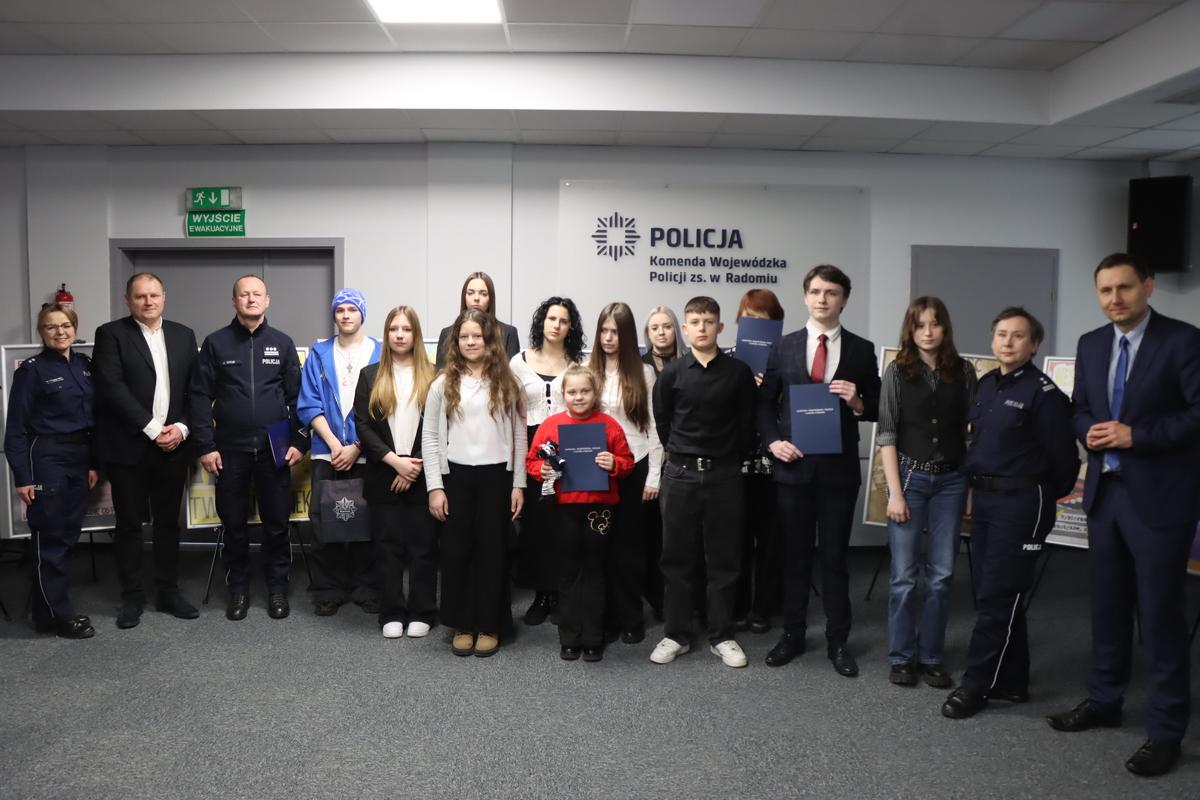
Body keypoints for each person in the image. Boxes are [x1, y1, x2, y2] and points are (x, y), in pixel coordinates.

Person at [1046, 253, 1200, 777]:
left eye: (1125, 288)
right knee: (1107, 608)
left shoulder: (1183, 341)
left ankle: (1166, 729)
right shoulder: (1091, 343)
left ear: (1148, 287)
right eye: (1106, 290)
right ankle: (1105, 699)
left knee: (1160, 615)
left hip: (1160, 499)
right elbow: (1079, 408)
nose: (1115, 299)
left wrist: (1138, 436)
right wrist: (1085, 429)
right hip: (1105, 497)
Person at [941, 307, 1078, 720]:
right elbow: (979, 447)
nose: (1008, 342)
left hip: (1022, 504)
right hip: (986, 502)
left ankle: (976, 684)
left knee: (999, 595)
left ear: (1034, 345)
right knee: (995, 592)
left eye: (1018, 336)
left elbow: (1065, 462)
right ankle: (1014, 680)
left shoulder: (1045, 394)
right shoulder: (986, 385)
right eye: (1002, 334)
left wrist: (1037, 496)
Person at [758, 264, 880, 677]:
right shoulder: (783, 347)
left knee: (835, 559)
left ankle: (838, 640)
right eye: (815, 291)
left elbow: (877, 405)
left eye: (831, 292)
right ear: (805, 297)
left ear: (844, 300)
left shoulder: (862, 350)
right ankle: (792, 634)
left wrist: (858, 401)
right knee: (794, 557)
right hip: (792, 468)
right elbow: (764, 403)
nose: (822, 299)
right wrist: (773, 441)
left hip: (838, 472)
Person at [189, 275, 307, 622]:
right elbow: (199, 397)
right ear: (234, 301)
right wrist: (205, 446)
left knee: (277, 524)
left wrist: (299, 441)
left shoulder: (282, 343)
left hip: (275, 449)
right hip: (229, 450)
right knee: (234, 524)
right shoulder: (216, 343)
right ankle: (238, 589)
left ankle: (277, 588)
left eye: (257, 294)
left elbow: (298, 398)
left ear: (267, 300)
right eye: (244, 294)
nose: (251, 299)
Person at [650, 296, 756, 668]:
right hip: (680, 475)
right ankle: (676, 634)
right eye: (695, 322)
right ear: (685, 328)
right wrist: (683, 454)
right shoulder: (672, 373)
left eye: (709, 321)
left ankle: (722, 635)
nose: (702, 328)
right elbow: (663, 422)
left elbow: (747, 426)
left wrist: (725, 457)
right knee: (676, 558)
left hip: (724, 475)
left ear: (720, 327)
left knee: (724, 559)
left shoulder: (738, 373)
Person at [877, 297, 976, 688]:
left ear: (945, 328)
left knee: (942, 576)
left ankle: (932, 656)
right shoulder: (897, 372)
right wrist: (895, 494)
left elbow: (970, 434)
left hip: (952, 481)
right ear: (911, 330)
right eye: (920, 325)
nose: (928, 332)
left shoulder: (964, 371)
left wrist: (970, 487)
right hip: (910, 479)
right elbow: (887, 435)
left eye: (935, 324)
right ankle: (902, 657)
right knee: (904, 576)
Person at [93, 272, 200, 629]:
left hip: (174, 447)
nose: (148, 301)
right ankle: (132, 597)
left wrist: (181, 428)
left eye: (154, 295)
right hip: (130, 448)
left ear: (164, 297)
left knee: (168, 524)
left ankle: (168, 591)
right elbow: (111, 388)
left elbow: (196, 390)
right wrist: (153, 429)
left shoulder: (184, 335)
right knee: (129, 525)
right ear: (128, 300)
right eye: (140, 296)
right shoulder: (111, 334)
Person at [423, 309, 527, 657]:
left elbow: (519, 435)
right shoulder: (442, 384)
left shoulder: (508, 382)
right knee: (457, 553)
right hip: (456, 478)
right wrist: (435, 487)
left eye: (477, 336)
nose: (470, 342)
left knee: (493, 553)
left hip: (497, 478)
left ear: (489, 340)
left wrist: (519, 484)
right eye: (464, 337)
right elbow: (430, 438)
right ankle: (463, 624)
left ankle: (490, 624)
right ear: (455, 342)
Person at [527, 364, 635, 661]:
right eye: (572, 392)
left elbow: (627, 462)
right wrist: (542, 469)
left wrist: (614, 464)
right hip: (563, 508)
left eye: (585, 391)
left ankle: (593, 637)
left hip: (599, 508)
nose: (578, 397)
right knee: (568, 571)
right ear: (563, 394)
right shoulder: (551, 425)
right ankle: (570, 637)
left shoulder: (609, 425)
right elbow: (532, 462)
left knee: (595, 570)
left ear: (594, 392)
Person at [5, 304, 99, 639]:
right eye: (51, 327)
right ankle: (61, 615)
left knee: (67, 537)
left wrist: (92, 463)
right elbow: (15, 429)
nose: (60, 332)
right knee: (51, 540)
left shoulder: (85, 366)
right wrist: (23, 477)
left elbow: (92, 419)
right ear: (41, 332)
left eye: (65, 325)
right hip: (47, 457)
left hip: (79, 457)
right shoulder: (31, 371)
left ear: (75, 327)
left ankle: (44, 613)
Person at [354, 305, 438, 640]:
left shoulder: (435, 375)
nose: (400, 335)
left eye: (406, 329)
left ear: (416, 335)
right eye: (393, 329)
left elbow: (440, 426)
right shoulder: (369, 375)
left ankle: (422, 611)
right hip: (383, 473)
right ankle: (391, 611)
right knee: (387, 547)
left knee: (422, 547)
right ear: (386, 334)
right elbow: (362, 425)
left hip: (422, 472)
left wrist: (412, 465)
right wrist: (394, 461)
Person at [298, 288, 382, 617]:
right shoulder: (319, 353)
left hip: (369, 452)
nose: (346, 315)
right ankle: (328, 590)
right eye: (340, 310)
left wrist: (358, 445)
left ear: (362, 314)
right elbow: (308, 403)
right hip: (327, 452)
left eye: (352, 309)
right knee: (325, 522)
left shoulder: (380, 352)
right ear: (334, 315)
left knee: (368, 521)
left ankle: (367, 587)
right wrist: (335, 444)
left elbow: (383, 405)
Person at [589, 302, 663, 644]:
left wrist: (654, 476)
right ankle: (607, 618)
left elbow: (654, 427)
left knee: (630, 549)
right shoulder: (587, 370)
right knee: (600, 546)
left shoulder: (643, 373)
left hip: (635, 465)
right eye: (604, 331)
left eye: (615, 332)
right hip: (596, 467)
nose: (608, 338)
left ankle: (631, 617)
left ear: (628, 335)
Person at [510, 296, 584, 626]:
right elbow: (511, 415)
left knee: (565, 525)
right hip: (531, 447)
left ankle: (563, 594)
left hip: (569, 448)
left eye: (563, 321)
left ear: (571, 328)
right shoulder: (519, 362)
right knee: (537, 524)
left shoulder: (578, 364)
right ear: (542, 322)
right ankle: (542, 594)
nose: (556, 325)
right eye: (552, 318)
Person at [732, 289, 785, 635]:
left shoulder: (787, 358)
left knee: (770, 539)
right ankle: (736, 605)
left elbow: (798, 409)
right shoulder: (727, 360)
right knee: (735, 537)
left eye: (762, 319)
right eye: (749, 317)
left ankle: (764, 607)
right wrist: (742, 387)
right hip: (734, 463)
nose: (754, 323)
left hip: (773, 463)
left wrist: (769, 390)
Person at [639, 304, 684, 618]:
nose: (661, 332)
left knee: (678, 535)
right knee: (651, 534)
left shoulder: (689, 362)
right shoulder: (638, 366)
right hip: (648, 456)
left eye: (667, 326)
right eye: (655, 327)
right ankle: (656, 598)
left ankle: (679, 598)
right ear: (647, 333)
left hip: (681, 455)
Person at [434, 272, 520, 369]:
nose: (476, 298)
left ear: (490, 299)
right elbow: (441, 372)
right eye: (470, 293)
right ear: (464, 297)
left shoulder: (508, 333)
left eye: (483, 294)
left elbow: (512, 374)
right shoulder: (447, 333)